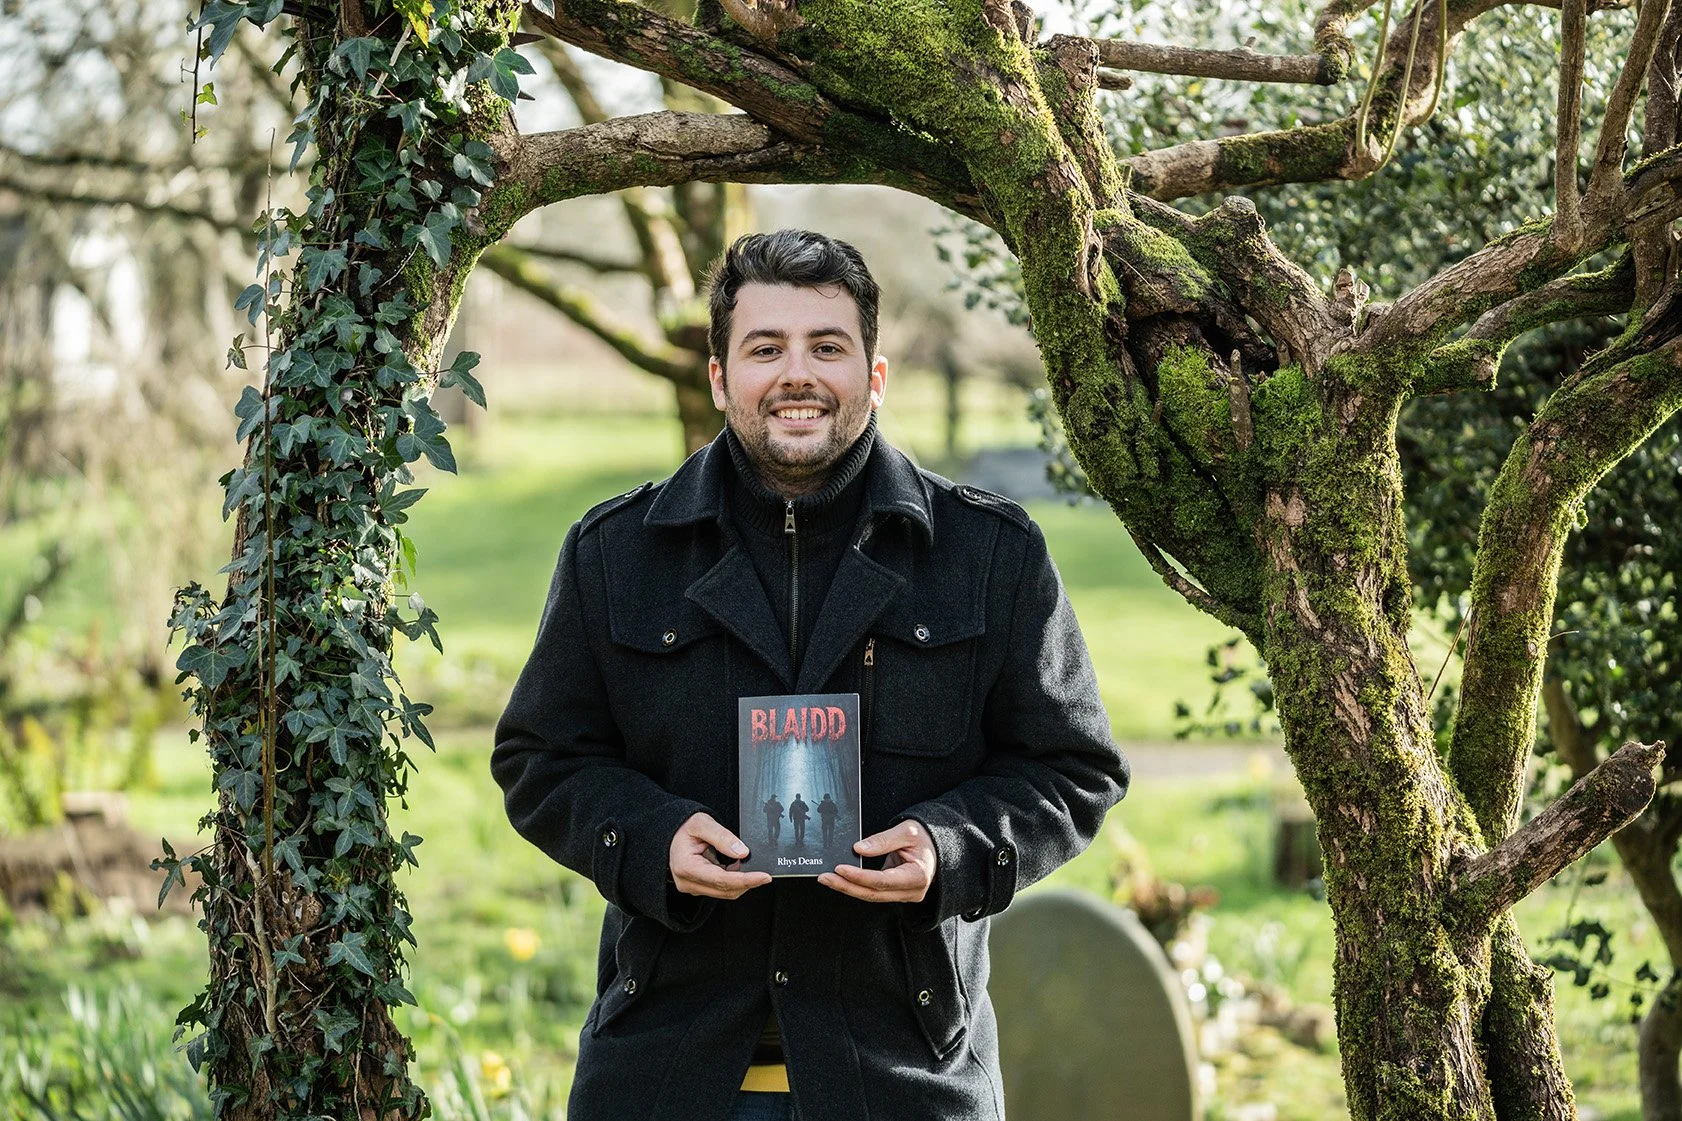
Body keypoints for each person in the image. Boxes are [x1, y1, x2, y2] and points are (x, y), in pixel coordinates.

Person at [490, 228, 1130, 1121]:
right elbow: (541, 758)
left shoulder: (989, 553)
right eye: (765, 348)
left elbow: (1075, 769)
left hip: (905, 1077)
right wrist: (649, 839)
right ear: (720, 376)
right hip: (668, 1076)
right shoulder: (616, 554)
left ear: (874, 375)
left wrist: (949, 849)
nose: (798, 374)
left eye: (827, 347)